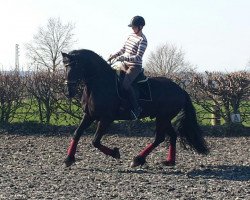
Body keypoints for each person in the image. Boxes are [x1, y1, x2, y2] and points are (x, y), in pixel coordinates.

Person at [108, 16, 148, 120]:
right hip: (124, 64)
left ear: (140, 27)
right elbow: (124, 48)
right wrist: (115, 55)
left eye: (134, 27)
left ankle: (136, 108)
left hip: (134, 66)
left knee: (125, 85)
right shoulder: (131, 35)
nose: (132, 28)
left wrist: (123, 57)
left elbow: (138, 57)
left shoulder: (143, 40)